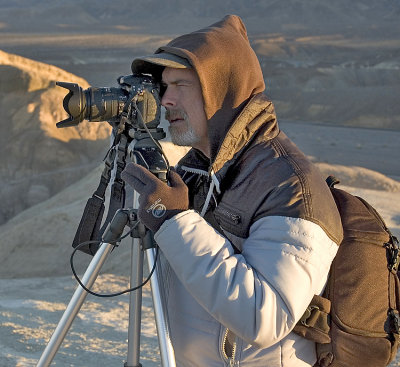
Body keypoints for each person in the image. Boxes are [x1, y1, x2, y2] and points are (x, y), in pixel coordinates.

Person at [121, 15, 343, 367]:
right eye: (165, 87)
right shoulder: (196, 172)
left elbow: (265, 317)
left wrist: (176, 221)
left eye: (181, 84)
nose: (166, 101)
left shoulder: (289, 186)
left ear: (222, 90)